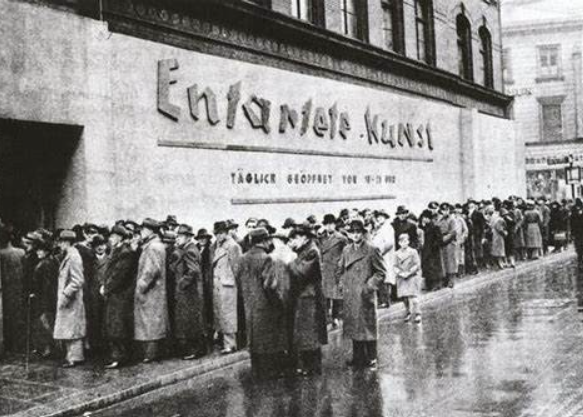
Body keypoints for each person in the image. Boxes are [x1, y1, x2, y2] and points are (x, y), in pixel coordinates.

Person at [238, 227, 288, 379]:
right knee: (268, 339)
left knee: (254, 338)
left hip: (250, 305)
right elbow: (270, 286)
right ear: (265, 241)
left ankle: (257, 370)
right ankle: (270, 372)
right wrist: (279, 304)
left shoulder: (243, 258)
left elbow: (239, 281)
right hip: (265, 306)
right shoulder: (266, 258)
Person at [337, 219, 387, 370]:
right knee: (354, 326)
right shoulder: (346, 250)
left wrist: (368, 287)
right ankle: (358, 357)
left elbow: (381, 272)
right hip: (351, 293)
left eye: (358, 232)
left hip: (364, 294)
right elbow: (340, 269)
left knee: (367, 326)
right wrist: (342, 283)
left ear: (363, 233)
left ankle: (372, 357)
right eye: (352, 232)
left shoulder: (371, 249)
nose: (356, 235)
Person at [288, 223, 328, 376]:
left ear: (304, 238)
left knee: (310, 332)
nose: (293, 241)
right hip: (304, 296)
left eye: (295, 238)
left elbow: (301, 273)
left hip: (309, 297)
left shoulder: (312, 251)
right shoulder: (304, 250)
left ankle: (313, 366)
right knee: (306, 332)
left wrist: (291, 261)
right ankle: (308, 365)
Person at [134, 218, 169, 363]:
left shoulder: (153, 247)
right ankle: (152, 353)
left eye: (143, 229)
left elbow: (151, 270)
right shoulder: (155, 245)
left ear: (150, 231)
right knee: (152, 322)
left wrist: (140, 286)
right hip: (155, 291)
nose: (141, 232)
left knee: (150, 323)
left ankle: (151, 354)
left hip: (151, 292)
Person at [102, 225, 136, 369]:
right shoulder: (118, 251)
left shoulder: (125, 252)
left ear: (119, 237)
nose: (110, 239)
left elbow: (118, 275)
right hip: (115, 294)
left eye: (113, 237)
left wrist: (106, 288)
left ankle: (119, 357)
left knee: (118, 327)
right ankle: (118, 356)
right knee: (114, 325)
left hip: (120, 295)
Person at [172, 224, 206, 360]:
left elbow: (193, 270)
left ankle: (195, 350)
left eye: (179, 236)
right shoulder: (186, 249)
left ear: (187, 237)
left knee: (191, 322)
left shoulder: (190, 250)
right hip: (190, 292)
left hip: (190, 293)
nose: (177, 239)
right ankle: (196, 349)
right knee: (190, 321)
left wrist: (181, 284)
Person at [53, 230, 86, 368]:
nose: (59, 244)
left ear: (67, 242)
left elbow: (78, 280)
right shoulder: (70, 255)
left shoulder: (73, 256)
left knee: (72, 330)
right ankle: (71, 356)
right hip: (70, 300)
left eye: (61, 241)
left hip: (71, 300)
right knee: (69, 329)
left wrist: (66, 294)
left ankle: (74, 358)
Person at [211, 221, 242, 354]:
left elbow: (237, 267)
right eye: (216, 233)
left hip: (228, 285)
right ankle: (224, 342)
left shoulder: (232, 246)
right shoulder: (219, 246)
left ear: (226, 232)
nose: (218, 236)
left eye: (221, 233)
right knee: (221, 314)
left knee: (228, 315)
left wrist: (238, 285)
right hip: (220, 285)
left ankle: (231, 344)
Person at [31, 238, 59, 358]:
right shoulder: (52, 261)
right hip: (49, 297)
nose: (38, 252)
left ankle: (49, 349)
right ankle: (49, 348)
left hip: (44, 298)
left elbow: (46, 284)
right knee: (48, 323)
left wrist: (36, 294)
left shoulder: (44, 264)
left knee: (45, 323)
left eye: (40, 250)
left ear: (46, 251)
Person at [318, 214, 348, 327]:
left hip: (336, 269)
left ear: (334, 225)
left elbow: (347, 253)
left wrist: (342, 265)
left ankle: (335, 317)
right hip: (325, 269)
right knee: (325, 295)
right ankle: (327, 318)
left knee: (336, 295)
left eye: (331, 224)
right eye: (327, 224)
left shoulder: (341, 238)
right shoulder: (321, 238)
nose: (329, 226)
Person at [0, 227, 26, 353]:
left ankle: (9, 345)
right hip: (20, 287)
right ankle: (19, 345)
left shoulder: (2, 254)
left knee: (7, 316)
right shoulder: (21, 252)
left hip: (7, 289)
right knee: (19, 315)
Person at [394, 234, 422, 324]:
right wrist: (400, 273)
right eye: (401, 242)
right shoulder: (396, 254)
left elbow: (417, 264)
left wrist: (409, 272)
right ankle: (407, 312)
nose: (403, 243)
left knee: (413, 296)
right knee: (404, 297)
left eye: (405, 241)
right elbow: (394, 266)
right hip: (402, 277)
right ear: (399, 243)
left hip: (412, 276)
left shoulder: (413, 252)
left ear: (408, 242)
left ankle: (418, 313)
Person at [370, 210, 395, 309]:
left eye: (381, 217)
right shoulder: (378, 228)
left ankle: (386, 300)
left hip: (385, 256)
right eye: (378, 217)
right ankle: (383, 300)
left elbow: (389, 243)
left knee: (386, 278)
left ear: (385, 218)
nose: (379, 219)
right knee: (381, 277)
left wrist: (380, 252)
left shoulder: (388, 228)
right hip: (379, 256)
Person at [195, 228, 214, 352]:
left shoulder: (210, 250)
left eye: (204, 238)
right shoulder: (196, 248)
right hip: (198, 281)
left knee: (209, 307)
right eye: (200, 238)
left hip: (207, 281)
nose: (202, 240)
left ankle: (210, 335)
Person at [419, 210, 444, 291]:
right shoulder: (422, 227)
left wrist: (434, 246)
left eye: (425, 218)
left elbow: (440, 240)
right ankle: (429, 284)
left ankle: (437, 284)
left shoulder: (435, 227)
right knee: (427, 268)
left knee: (434, 268)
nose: (424, 219)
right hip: (425, 251)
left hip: (433, 251)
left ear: (429, 218)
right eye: (423, 218)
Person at [436, 203, 457, 288]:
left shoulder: (452, 220)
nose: (445, 212)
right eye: (443, 210)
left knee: (450, 262)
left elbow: (453, 232)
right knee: (444, 262)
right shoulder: (440, 220)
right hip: (442, 242)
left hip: (450, 242)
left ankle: (451, 280)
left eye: (447, 210)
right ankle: (446, 279)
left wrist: (443, 239)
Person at [571, 198, 583, 268]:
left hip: (578, 230)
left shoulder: (574, 208)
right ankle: (579, 258)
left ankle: (580, 257)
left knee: (579, 244)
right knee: (578, 245)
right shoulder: (573, 209)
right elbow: (572, 220)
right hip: (577, 230)